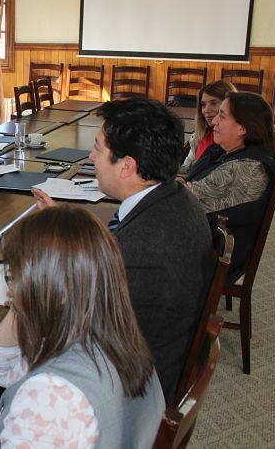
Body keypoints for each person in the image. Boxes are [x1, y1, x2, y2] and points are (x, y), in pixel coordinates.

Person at [0, 206, 165, 448]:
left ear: (57, 291)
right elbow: (4, 372)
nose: (10, 289)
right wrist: (24, 300)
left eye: (14, 278)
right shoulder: (111, 334)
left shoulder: (52, 396)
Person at [33, 98, 214, 406]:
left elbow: (71, 319)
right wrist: (71, 227)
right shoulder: (174, 198)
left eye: (98, 149)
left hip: (126, 387)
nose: (91, 157)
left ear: (127, 165)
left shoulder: (143, 249)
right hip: (151, 352)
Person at [185, 91, 275, 284]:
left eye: (222, 116)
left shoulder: (246, 168)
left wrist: (184, 188)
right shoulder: (229, 152)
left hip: (216, 256)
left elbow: (185, 202)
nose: (214, 121)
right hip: (205, 239)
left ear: (242, 128)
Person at [181, 79, 237, 170]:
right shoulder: (199, 136)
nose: (206, 110)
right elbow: (186, 167)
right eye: (203, 105)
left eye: (213, 103)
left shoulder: (236, 141)